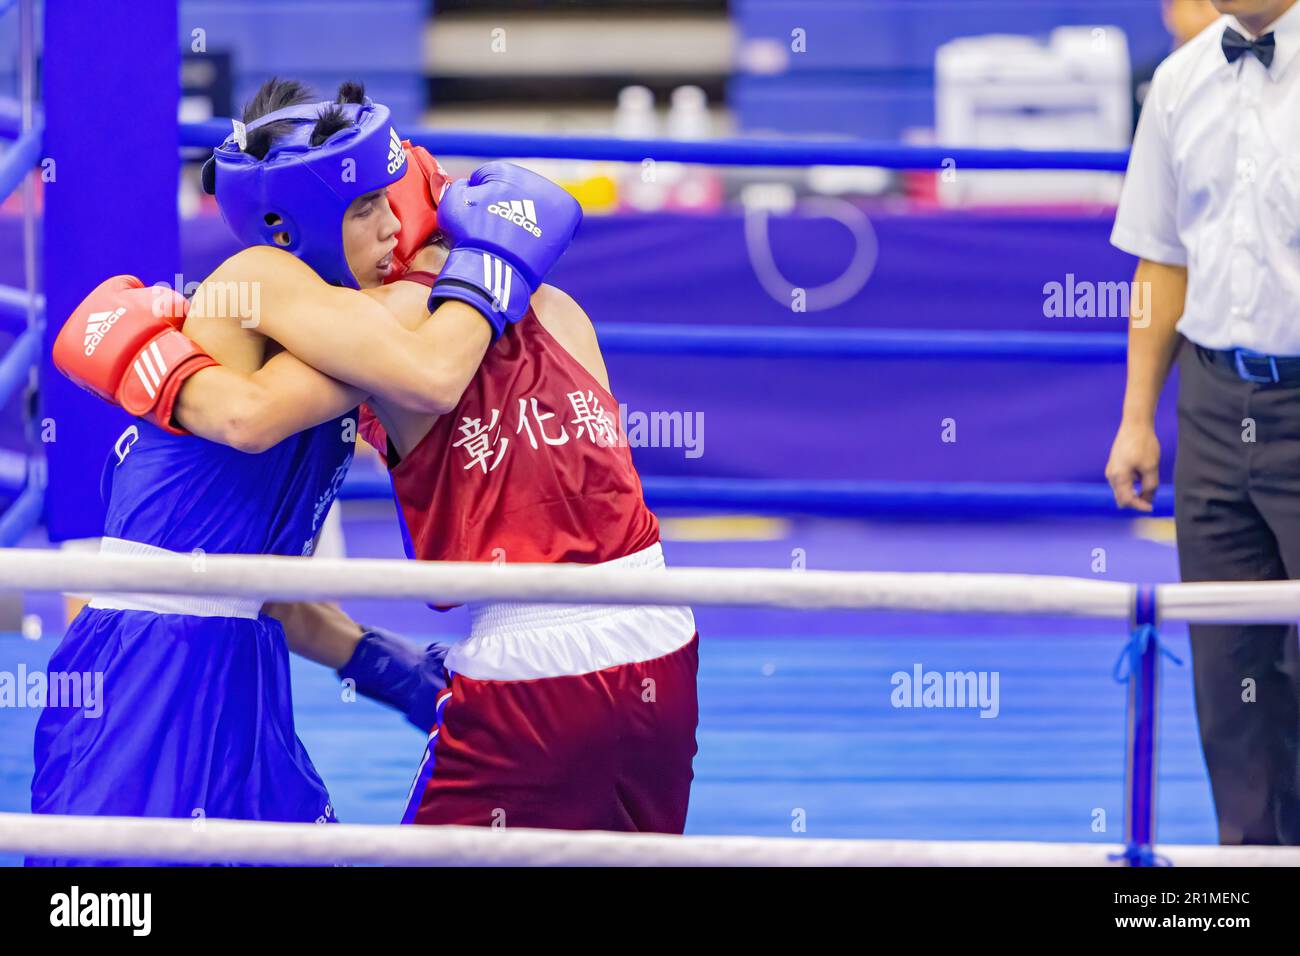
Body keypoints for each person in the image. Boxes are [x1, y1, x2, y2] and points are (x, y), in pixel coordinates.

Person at [81, 95, 701, 836]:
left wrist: (141, 359)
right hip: (664, 638)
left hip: (258, 657)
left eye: (389, 201)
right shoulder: (296, 290)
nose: (389, 229)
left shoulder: (371, 332)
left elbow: (261, 579)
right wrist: (495, 265)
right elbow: (263, 417)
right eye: (363, 206)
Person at [1105, 0, 1300, 845]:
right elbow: (1161, 258)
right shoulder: (1179, 82)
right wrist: (1135, 418)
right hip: (1214, 411)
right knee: (1230, 682)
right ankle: (1250, 881)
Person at [1133, 1, 1223, 123]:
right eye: (1200, 4)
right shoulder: (1142, 81)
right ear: (1169, 11)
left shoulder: (1241, 69)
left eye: (1217, 4)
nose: (1212, 14)